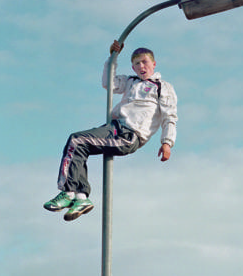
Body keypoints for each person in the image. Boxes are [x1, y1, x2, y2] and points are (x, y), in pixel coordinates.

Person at [44, 41, 178, 221]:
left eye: (145, 62)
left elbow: (170, 116)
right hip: (114, 129)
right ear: (133, 66)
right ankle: (81, 197)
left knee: (77, 140)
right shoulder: (130, 81)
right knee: (78, 146)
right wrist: (112, 59)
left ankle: (68, 192)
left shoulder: (162, 87)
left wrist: (167, 142)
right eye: (137, 63)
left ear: (153, 64)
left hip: (130, 134)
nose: (141, 66)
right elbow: (108, 84)